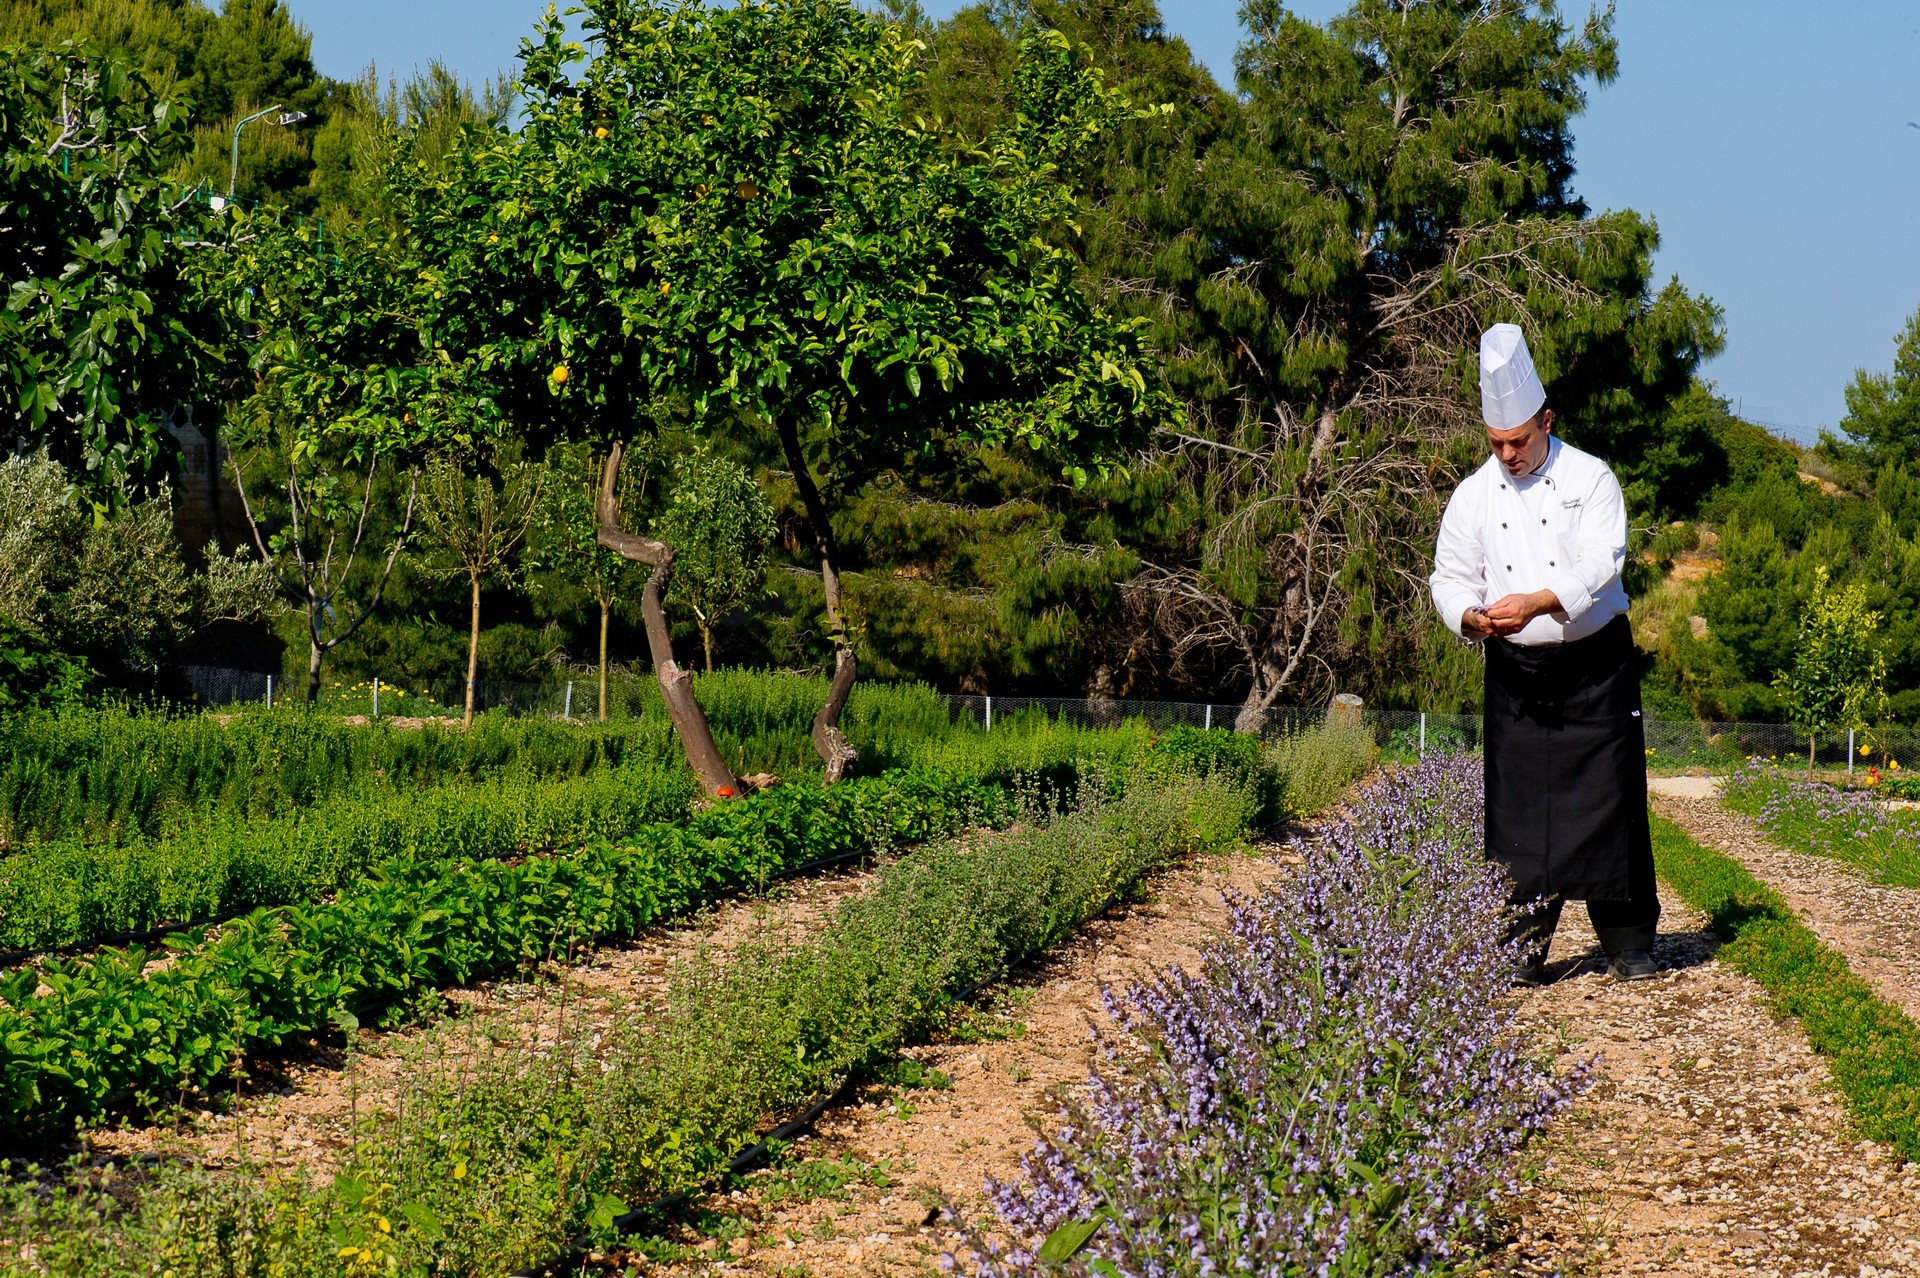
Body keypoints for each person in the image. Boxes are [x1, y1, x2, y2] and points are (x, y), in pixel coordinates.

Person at [1428, 323, 1660, 985]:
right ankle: (1519, 952)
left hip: (1595, 666)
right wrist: (1471, 618)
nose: (1508, 454)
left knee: (1613, 800)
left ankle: (1628, 943)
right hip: (1516, 675)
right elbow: (1448, 577)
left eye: (1519, 441)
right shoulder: (1472, 496)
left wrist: (1535, 602)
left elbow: (1599, 564)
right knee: (1516, 811)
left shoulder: (1592, 478)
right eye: (1497, 442)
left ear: (1546, 423)